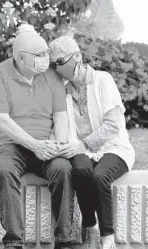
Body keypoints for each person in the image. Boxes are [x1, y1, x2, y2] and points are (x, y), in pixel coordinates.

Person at [0, 24, 75, 249]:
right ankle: (14, 241)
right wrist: (34, 145)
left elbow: (60, 115)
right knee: (4, 171)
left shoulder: (51, 75)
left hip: (45, 144)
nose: (46, 59)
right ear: (21, 57)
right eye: (40, 55)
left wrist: (59, 144)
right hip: (9, 144)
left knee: (63, 169)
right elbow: (1, 120)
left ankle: (63, 240)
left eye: (46, 53)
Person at [49, 36, 135, 249]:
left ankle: (107, 238)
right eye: (54, 64)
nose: (57, 68)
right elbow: (59, 124)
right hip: (81, 149)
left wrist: (83, 145)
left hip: (113, 146)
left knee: (99, 176)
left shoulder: (103, 80)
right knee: (79, 170)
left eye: (60, 61)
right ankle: (90, 226)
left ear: (77, 56)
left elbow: (113, 125)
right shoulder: (63, 89)